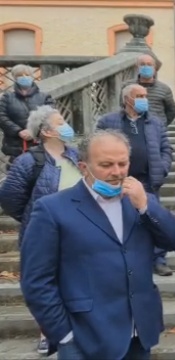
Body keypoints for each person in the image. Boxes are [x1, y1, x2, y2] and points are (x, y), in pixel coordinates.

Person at [19, 129, 175, 360]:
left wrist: (146, 206)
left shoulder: (140, 200)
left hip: (139, 333)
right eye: (106, 165)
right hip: (85, 338)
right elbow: (35, 281)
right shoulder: (52, 209)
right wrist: (64, 334)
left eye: (122, 163)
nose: (116, 172)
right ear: (83, 166)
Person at [0, 105, 81, 355]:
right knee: (47, 284)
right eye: (59, 122)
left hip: (78, 232)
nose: (65, 126)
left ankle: (74, 328)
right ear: (46, 131)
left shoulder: (77, 155)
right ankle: (48, 331)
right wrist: (35, 219)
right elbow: (10, 199)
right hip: (45, 233)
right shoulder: (28, 161)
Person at [96, 83, 174, 276]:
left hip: (148, 180)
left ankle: (159, 259)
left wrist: (162, 167)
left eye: (145, 95)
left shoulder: (155, 122)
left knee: (154, 219)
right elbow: (96, 145)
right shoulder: (108, 121)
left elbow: (166, 148)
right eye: (139, 95)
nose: (143, 99)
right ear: (127, 99)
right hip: (118, 181)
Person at [0, 64, 54, 169]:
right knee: (15, 175)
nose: (24, 77)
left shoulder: (44, 97)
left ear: (32, 76)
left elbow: (50, 115)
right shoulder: (7, 98)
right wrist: (18, 131)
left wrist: (33, 131)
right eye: (20, 75)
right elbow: (2, 117)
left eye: (27, 75)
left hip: (39, 143)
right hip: (15, 146)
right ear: (15, 78)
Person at [121, 54, 175, 126]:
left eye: (149, 64)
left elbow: (171, 111)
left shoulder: (164, 89)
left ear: (154, 68)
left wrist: (161, 124)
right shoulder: (127, 86)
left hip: (157, 128)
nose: (146, 67)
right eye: (142, 64)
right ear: (137, 67)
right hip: (133, 126)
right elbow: (122, 106)